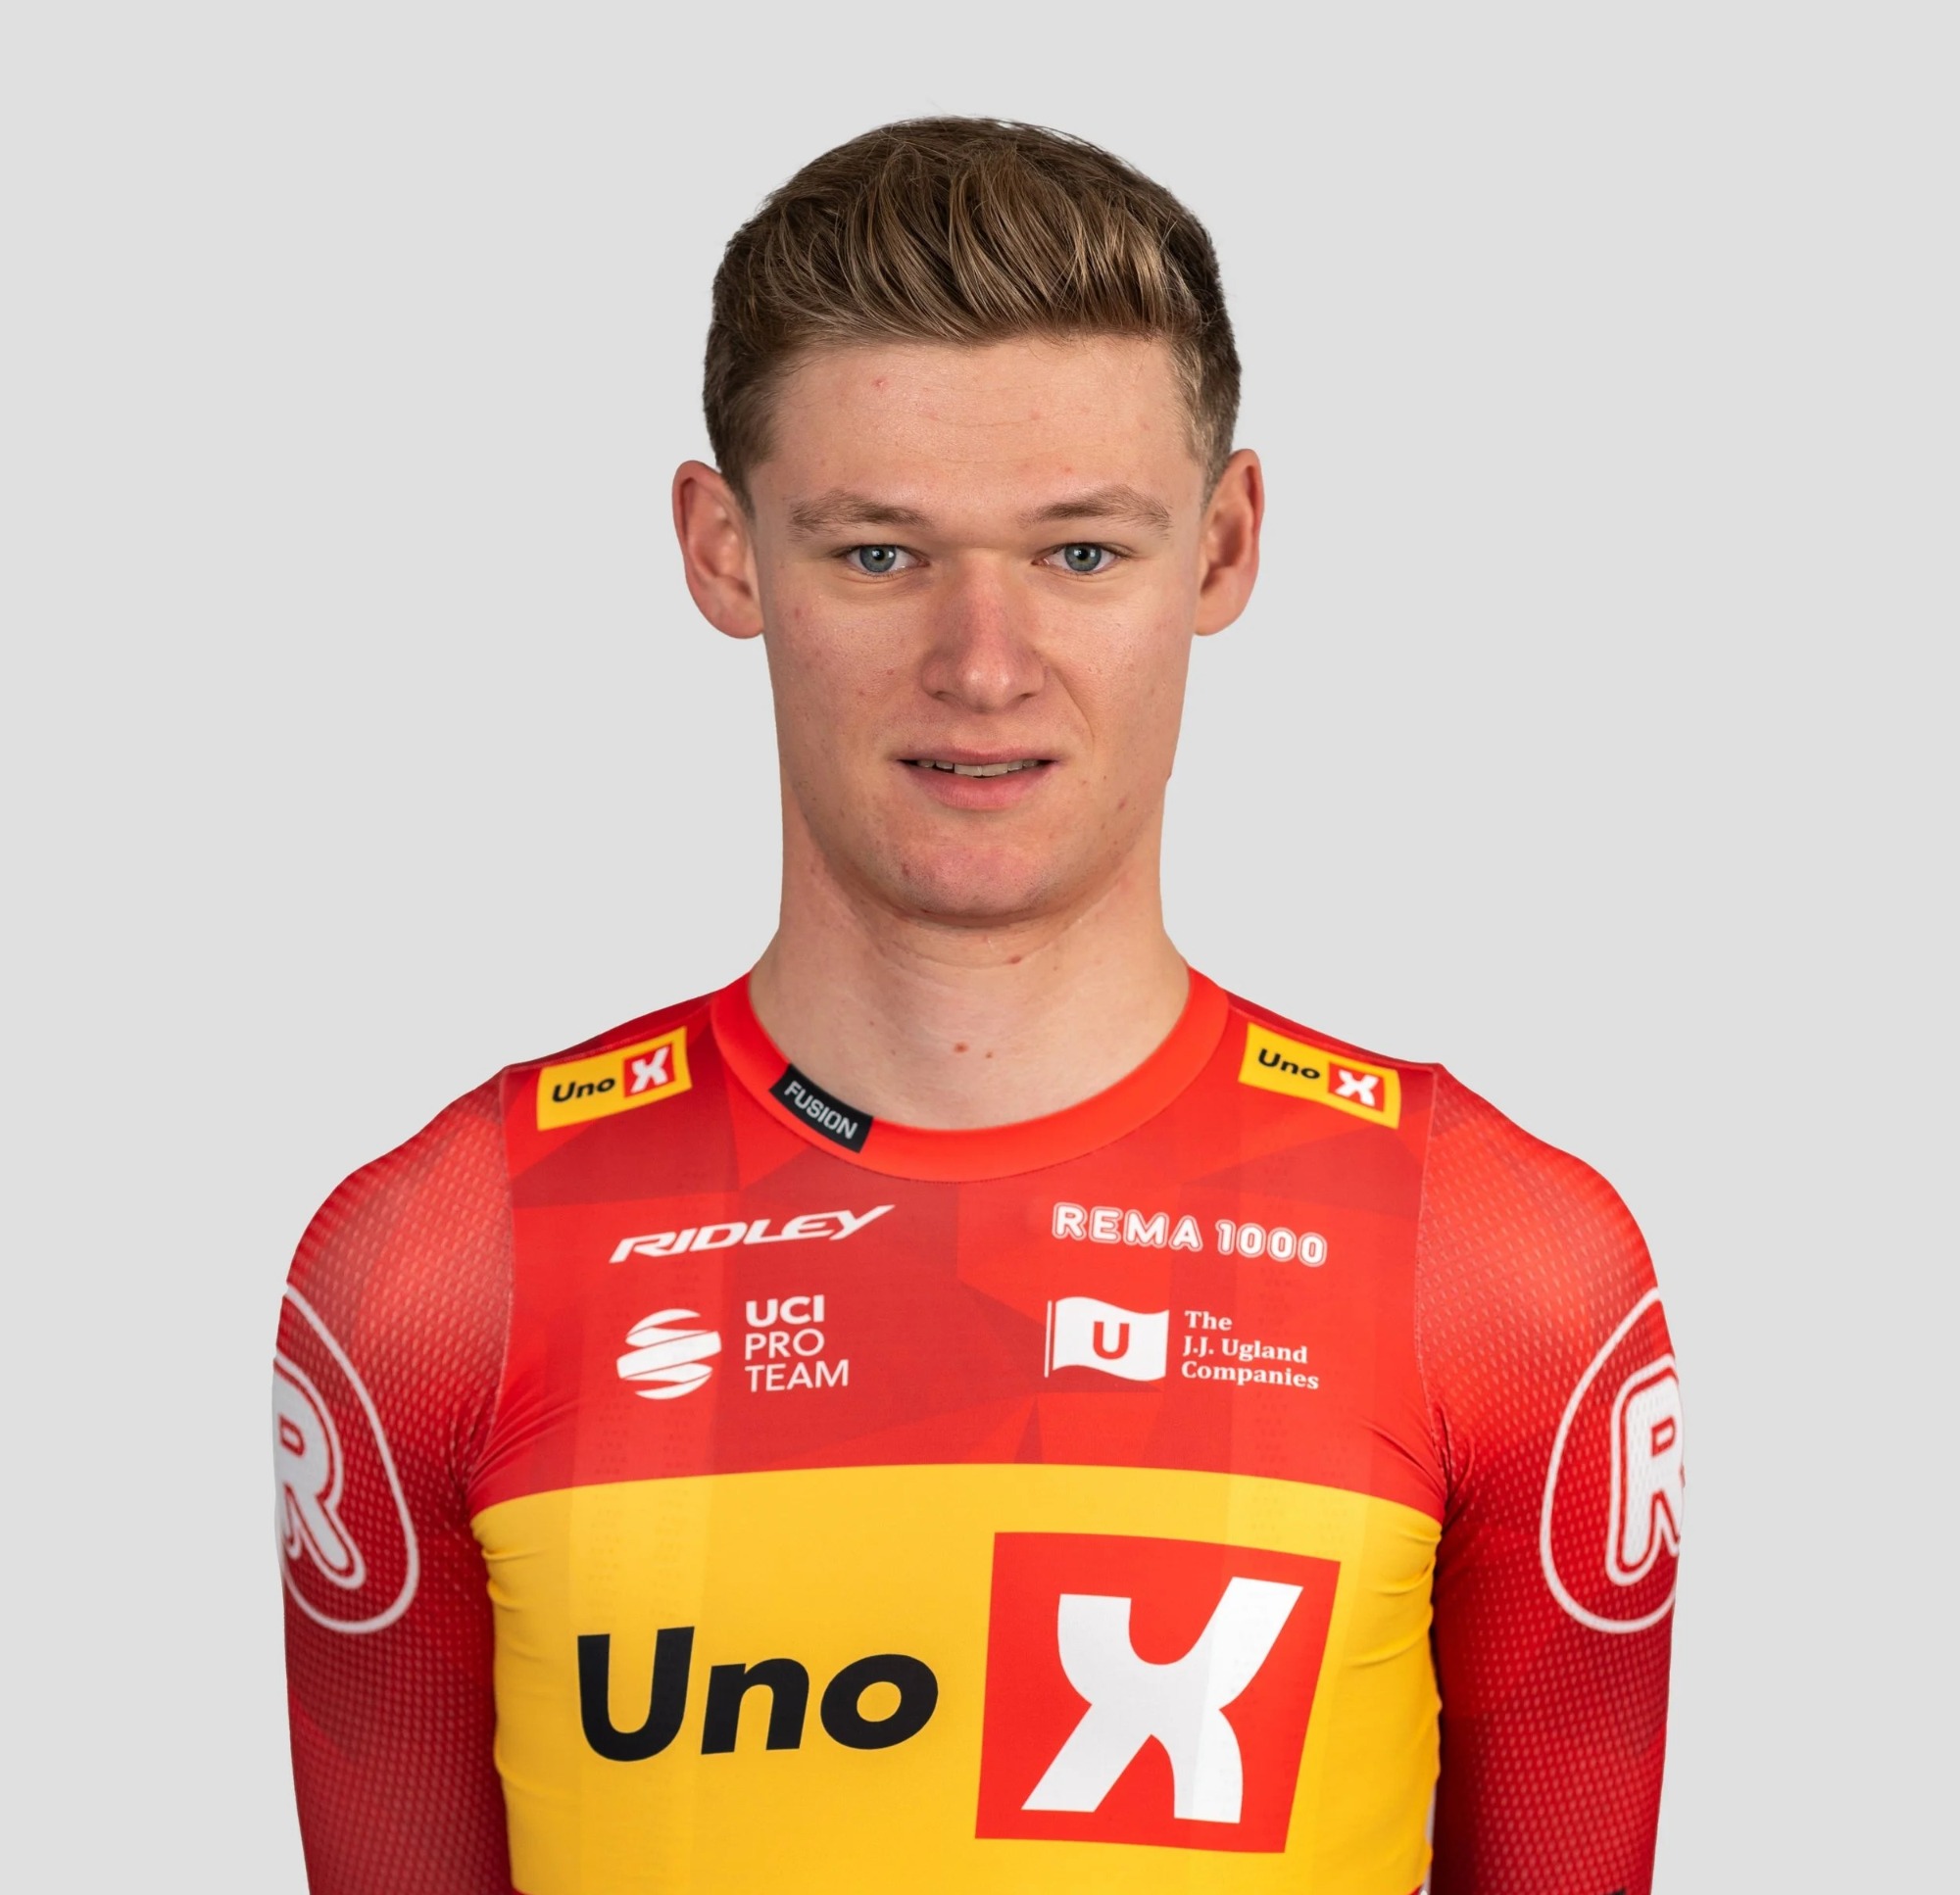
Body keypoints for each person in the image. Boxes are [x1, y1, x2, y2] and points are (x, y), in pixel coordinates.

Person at [273, 118, 1681, 1895]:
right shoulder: (438, 1268)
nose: (985, 665)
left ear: (1224, 546)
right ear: (722, 552)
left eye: (1081, 554)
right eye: (880, 555)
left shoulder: (1495, 1266)